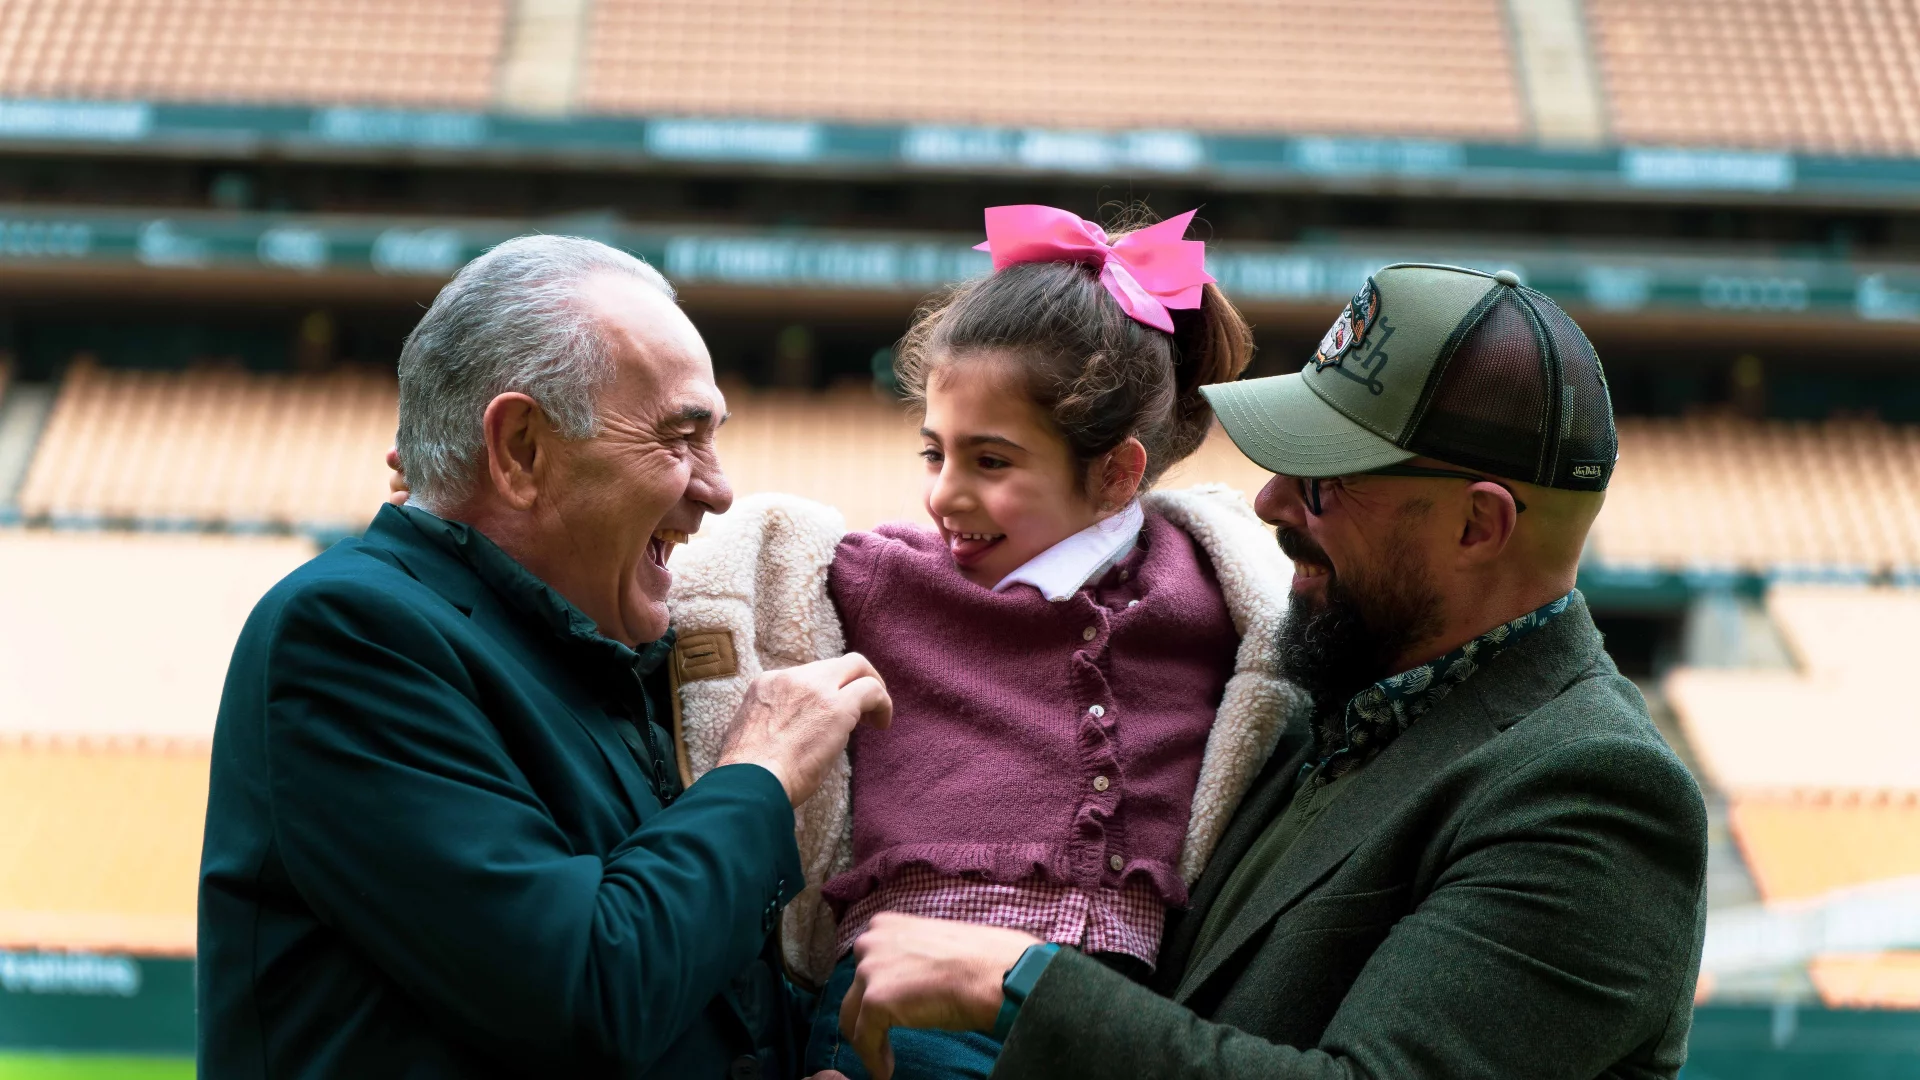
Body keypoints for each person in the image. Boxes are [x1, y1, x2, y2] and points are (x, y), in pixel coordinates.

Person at [826, 264, 1710, 1080]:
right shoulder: (1312, 696)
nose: (1269, 501)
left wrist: (1018, 983)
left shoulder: (1594, 794)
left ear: (1478, 526)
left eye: (1324, 480)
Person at [198, 235, 892, 1079]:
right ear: (521, 447)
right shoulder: (350, 631)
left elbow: (677, 982)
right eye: (681, 436)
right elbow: (587, 992)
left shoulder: (591, 649)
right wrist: (758, 774)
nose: (718, 490)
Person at [661, 205, 1309, 1080]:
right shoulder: (881, 576)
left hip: (1109, 1021)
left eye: (991, 462)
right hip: (904, 1009)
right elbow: (719, 596)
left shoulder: (1215, 591)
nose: (946, 494)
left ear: (1118, 471)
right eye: (936, 454)